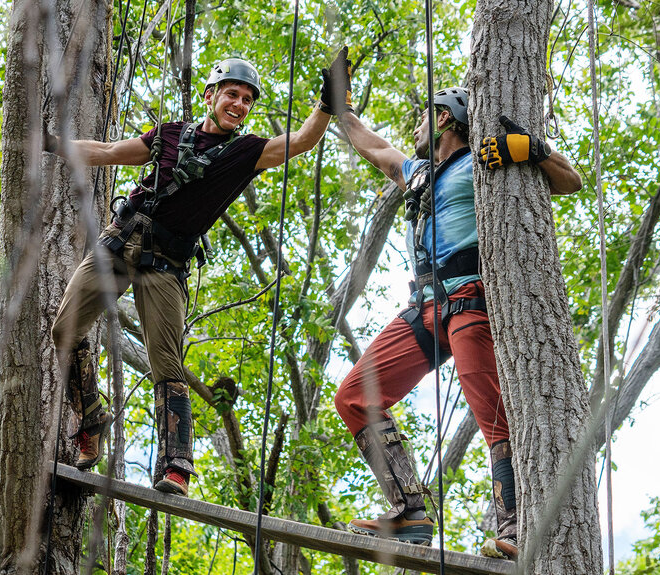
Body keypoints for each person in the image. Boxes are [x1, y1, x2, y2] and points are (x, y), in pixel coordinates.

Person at [46, 51, 351, 497]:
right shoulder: (170, 135)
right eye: (233, 94)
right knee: (63, 330)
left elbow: (302, 141)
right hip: (119, 241)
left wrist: (328, 103)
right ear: (211, 96)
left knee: (167, 365)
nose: (240, 105)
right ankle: (91, 416)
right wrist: (52, 143)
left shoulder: (248, 152)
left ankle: (175, 469)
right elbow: (108, 152)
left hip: (166, 264)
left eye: (248, 100)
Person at [332, 78, 581, 557]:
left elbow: (569, 180)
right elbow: (373, 145)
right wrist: (338, 108)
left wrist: (531, 149)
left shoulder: (481, 162)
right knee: (354, 397)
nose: (417, 127)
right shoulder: (418, 173)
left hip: (469, 296)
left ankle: (514, 527)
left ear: (444, 116)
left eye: (425, 116)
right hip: (423, 306)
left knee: (492, 411)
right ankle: (410, 512)